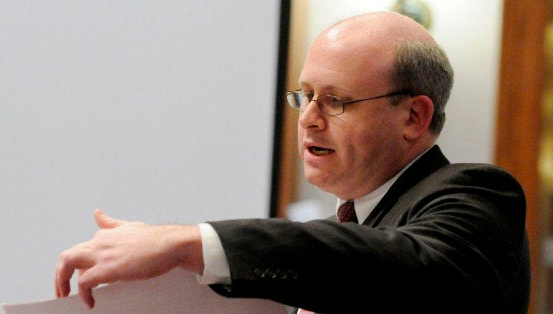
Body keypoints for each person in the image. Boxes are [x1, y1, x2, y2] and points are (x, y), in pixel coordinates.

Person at [54, 11, 530, 313]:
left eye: (336, 100)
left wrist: (189, 243)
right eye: (304, 97)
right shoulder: (335, 236)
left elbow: (404, 270)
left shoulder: (476, 196)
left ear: (413, 115)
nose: (308, 120)